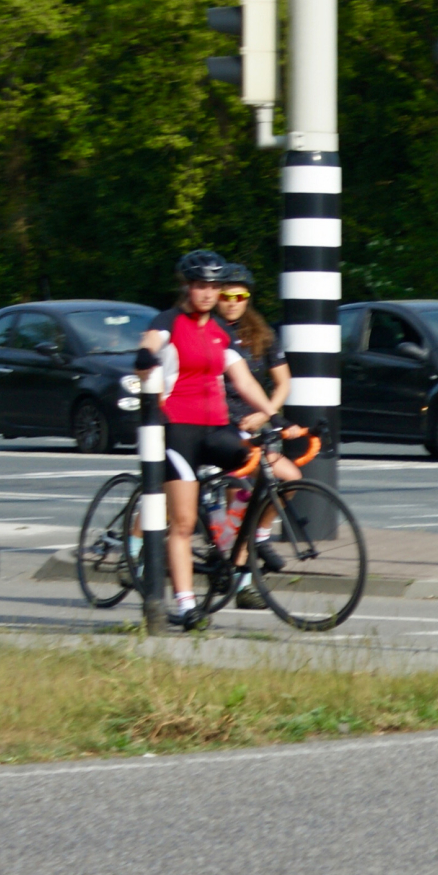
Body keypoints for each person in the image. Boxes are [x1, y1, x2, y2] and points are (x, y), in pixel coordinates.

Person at [134, 250, 280, 628]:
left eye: (213, 287)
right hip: (178, 428)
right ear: (187, 286)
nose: (207, 293)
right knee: (181, 523)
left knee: (258, 474)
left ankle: (231, 544)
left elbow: (243, 379)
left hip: (217, 426)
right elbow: (152, 341)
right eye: (200, 285)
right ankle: (185, 603)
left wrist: (272, 416)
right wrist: (146, 357)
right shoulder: (170, 321)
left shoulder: (220, 332)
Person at [214, 263, 297, 583]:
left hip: (254, 422)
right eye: (226, 295)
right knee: (240, 494)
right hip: (220, 423)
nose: (233, 301)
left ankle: (260, 536)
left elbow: (283, 382)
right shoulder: (211, 332)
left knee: (289, 477)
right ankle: (239, 572)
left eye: (240, 295)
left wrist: (267, 414)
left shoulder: (261, 333)